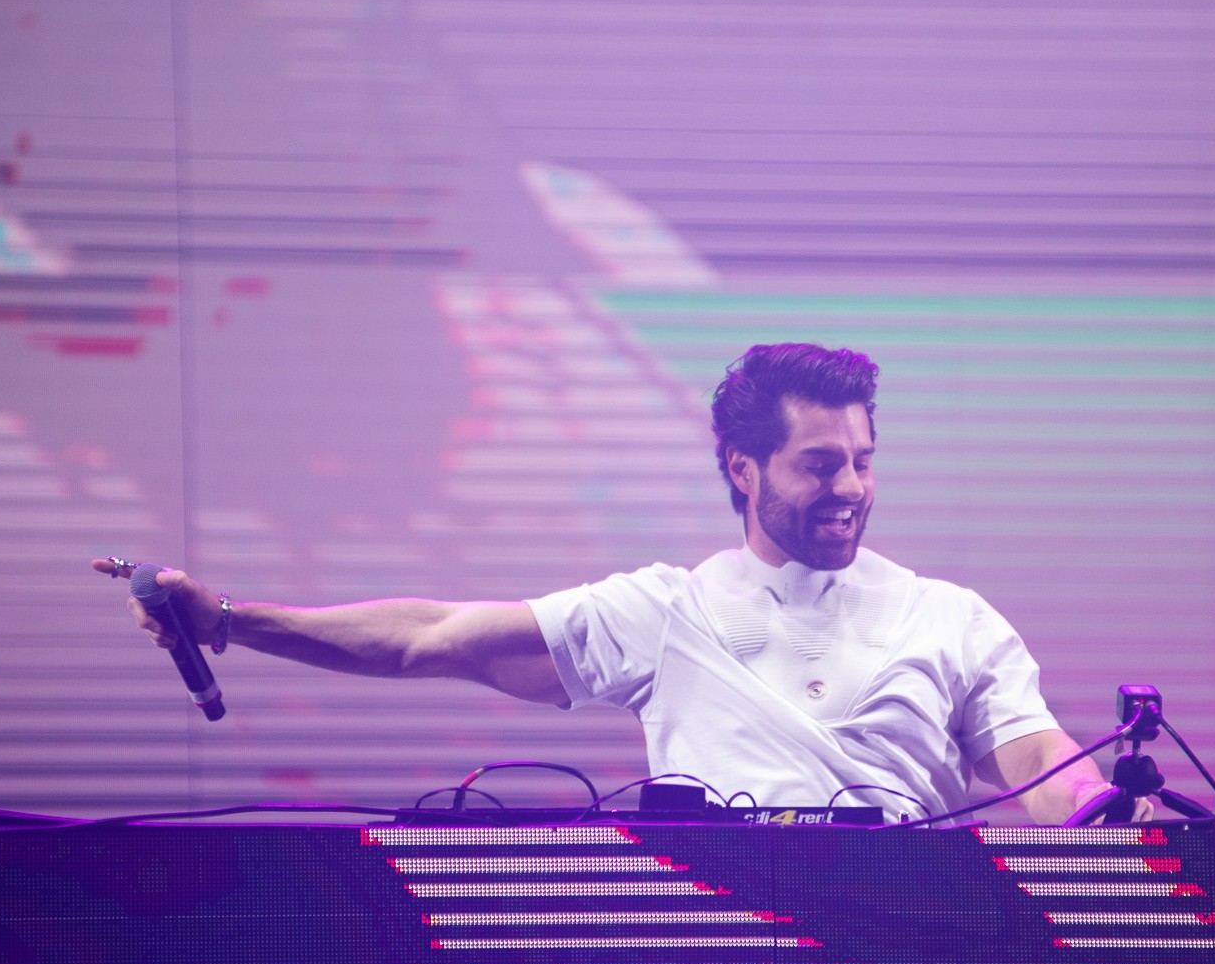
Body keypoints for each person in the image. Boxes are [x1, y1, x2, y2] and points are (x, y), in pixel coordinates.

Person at [93, 343, 1116, 824]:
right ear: (743, 468)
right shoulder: (664, 612)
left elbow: (1041, 760)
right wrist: (228, 620)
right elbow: (428, 636)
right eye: (819, 464)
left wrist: (1100, 803)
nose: (849, 487)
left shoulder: (948, 617)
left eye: (862, 460)